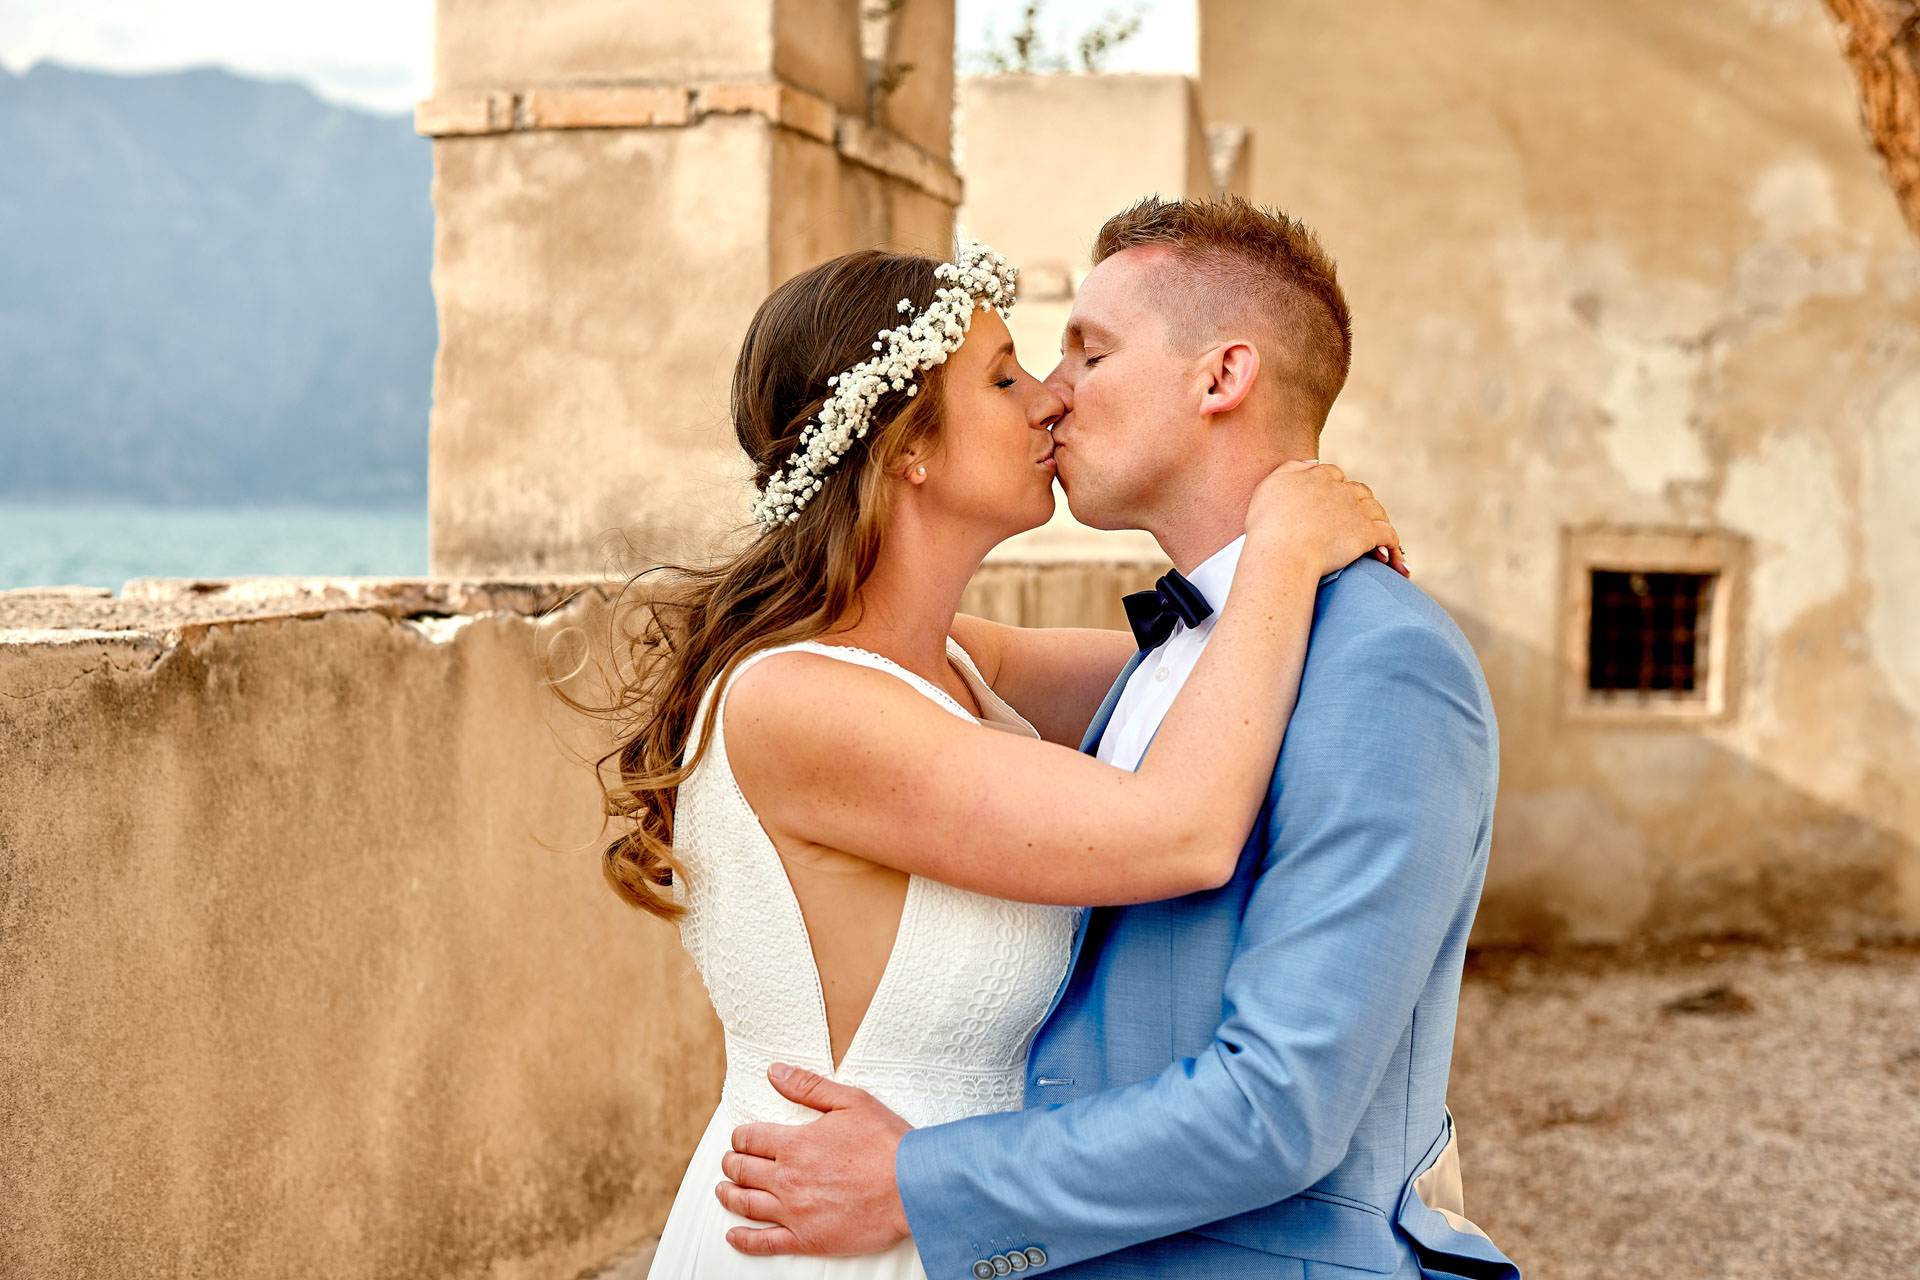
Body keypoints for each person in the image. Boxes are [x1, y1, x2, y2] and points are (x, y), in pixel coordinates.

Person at [712, 198, 1519, 1279]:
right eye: (1018, 372)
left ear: (1220, 378)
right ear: (904, 446)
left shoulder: (1378, 661)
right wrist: (1278, 553)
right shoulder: (1167, 655)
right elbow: (1146, 797)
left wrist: (925, 1181)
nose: (1053, 394)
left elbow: (1282, 1104)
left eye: (1087, 353)